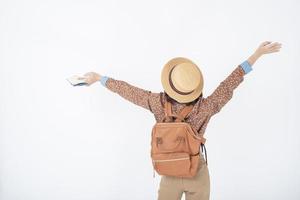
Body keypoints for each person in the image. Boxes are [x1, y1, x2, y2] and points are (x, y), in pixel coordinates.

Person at [80, 41, 282, 200]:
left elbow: (130, 92)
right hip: (197, 174)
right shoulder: (206, 107)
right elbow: (229, 84)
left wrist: (100, 78)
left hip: (169, 173)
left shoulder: (157, 103)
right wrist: (257, 55)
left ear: (170, 84)